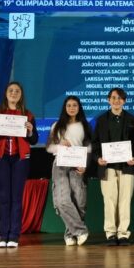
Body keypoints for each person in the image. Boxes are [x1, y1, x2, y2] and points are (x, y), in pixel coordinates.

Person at [0, 82, 38, 248]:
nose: (13, 93)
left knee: (16, 199)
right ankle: (3, 235)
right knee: (4, 198)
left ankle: (14, 236)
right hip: (1, 158)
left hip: (20, 160)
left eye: (17, 91)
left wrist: (31, 131)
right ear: (6, 93)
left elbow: (34, 140)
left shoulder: (28, 115)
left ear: (21, 95)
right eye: (11, 90)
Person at [93, 88, 134, 246]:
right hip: (107, 168)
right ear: (108, 100)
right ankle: (111, 233)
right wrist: (97, 158)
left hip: (127, 167)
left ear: (124, 101)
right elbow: (94, 144)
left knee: (125, 200)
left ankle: (123, 234)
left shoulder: (133, 120)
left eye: (120, 98)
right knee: (110, 200)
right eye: (113, 98)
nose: (116, 100)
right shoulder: (101, 120)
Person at [46, 96, 92, 246]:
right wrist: (60, 145)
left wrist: (85, 165)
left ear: (79, 108)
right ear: (65, 108)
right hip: (60, 165)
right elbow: (48, 147)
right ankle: (81, 231)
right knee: (62, 200)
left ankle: (70, 233)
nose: (71, 108)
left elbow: (90, 149)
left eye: (75, 105)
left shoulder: (85, 126)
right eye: (69, 105)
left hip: (78, 165)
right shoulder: (56, 126)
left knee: (79, 200)